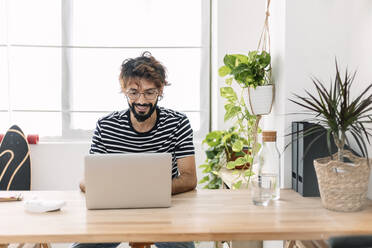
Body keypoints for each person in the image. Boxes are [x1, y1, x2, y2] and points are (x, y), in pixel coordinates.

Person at [75, 51, 197, 248]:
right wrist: (130, 194)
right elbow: (87, 181)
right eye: (133, 92)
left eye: (150, 92)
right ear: (124, 90)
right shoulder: (106, 126)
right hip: (113, 214)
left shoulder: (177, 123)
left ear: (161, 90)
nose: (141, 101)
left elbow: (190, 177)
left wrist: (146, 193)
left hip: (164, 213)